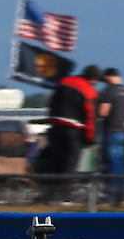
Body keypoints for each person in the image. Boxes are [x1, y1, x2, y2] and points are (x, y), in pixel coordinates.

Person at [43, 65, 101, 193]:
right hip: (74, 131)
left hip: (56, 127)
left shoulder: (64, 81)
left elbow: (51, 102)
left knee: (56, 161)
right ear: (94, 79)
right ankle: (65, 194)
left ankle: (51, 193)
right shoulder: (89, 91)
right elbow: (91, 116)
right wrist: (90, 139)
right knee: (70, 163)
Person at [98, 68, 124, 204]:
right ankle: (123, 194)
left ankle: (111, 196)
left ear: (108, 77)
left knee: (113, 163)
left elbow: (103, 112)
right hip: (123, 131)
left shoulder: (109, 90)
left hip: (111, 131)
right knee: (121, 163)